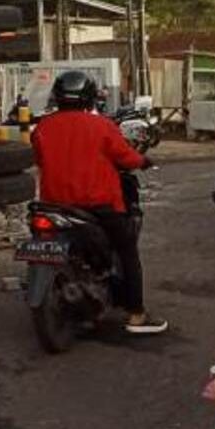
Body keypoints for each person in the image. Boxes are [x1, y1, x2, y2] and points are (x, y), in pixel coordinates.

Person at [33, 70, 168, 335]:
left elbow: (39, 158)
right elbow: (125, 158)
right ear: (90, 98)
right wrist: (143, 161)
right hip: (98, 205)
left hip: (53, 205)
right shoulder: (102, 126)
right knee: (127, 250)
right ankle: (137, 314)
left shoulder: (42, 128)